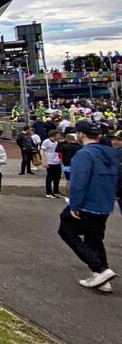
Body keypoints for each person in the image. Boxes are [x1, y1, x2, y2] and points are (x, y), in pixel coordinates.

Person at [58, 121, 118, 292]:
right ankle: (102, 278)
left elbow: (79, 182)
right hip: (105, 203)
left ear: (81, 135)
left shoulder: (84, 154)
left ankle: (100, 269)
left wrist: (74, 204)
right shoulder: (110, 154)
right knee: (94, 238)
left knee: (66, 231)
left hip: (87, 203)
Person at [56, 134, 81, 202]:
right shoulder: (79, 146)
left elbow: (57, 150)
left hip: (67, 165)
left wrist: (62, 142)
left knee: (68, 182)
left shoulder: (65, 146)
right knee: (77, 182)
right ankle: (76, 196)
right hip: (77, 166)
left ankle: (68, 196)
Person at [41, 130, 63, 199]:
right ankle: (49, 192)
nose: (59, 136)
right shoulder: (46, 141)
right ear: (54, 135)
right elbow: (42, 151)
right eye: (58, 135)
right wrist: (44, 161)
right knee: (50, 177)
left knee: (58, 176)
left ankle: (56, 190)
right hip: (50, 162)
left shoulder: (57, 142)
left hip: (57, 161)